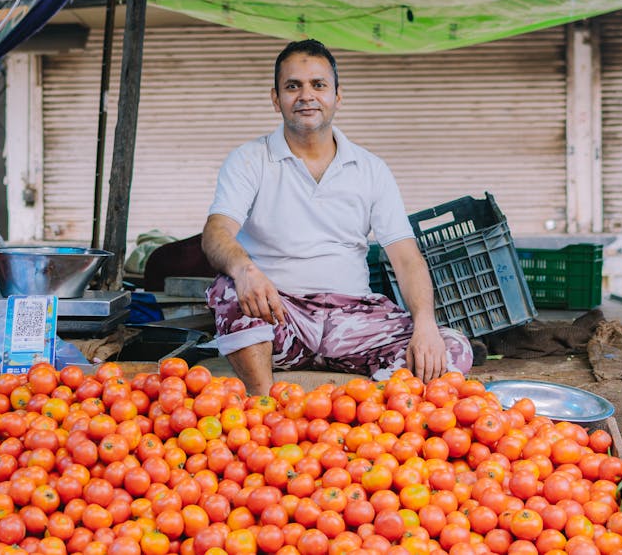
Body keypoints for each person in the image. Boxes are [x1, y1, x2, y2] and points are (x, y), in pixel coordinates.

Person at [201, 39, 475, 397]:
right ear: (275, 98)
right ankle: (264, 404)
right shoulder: (249, 159)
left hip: (354, 321)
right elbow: (216, 232)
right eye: (292, 86)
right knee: (229, 289)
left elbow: (407, 259)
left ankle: (365, 409)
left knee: (451, 349)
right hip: (281, 316)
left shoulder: (371, 169)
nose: (306, 96)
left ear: (337, 96)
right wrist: (245, 271)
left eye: (318, 85)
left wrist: (425, 325)